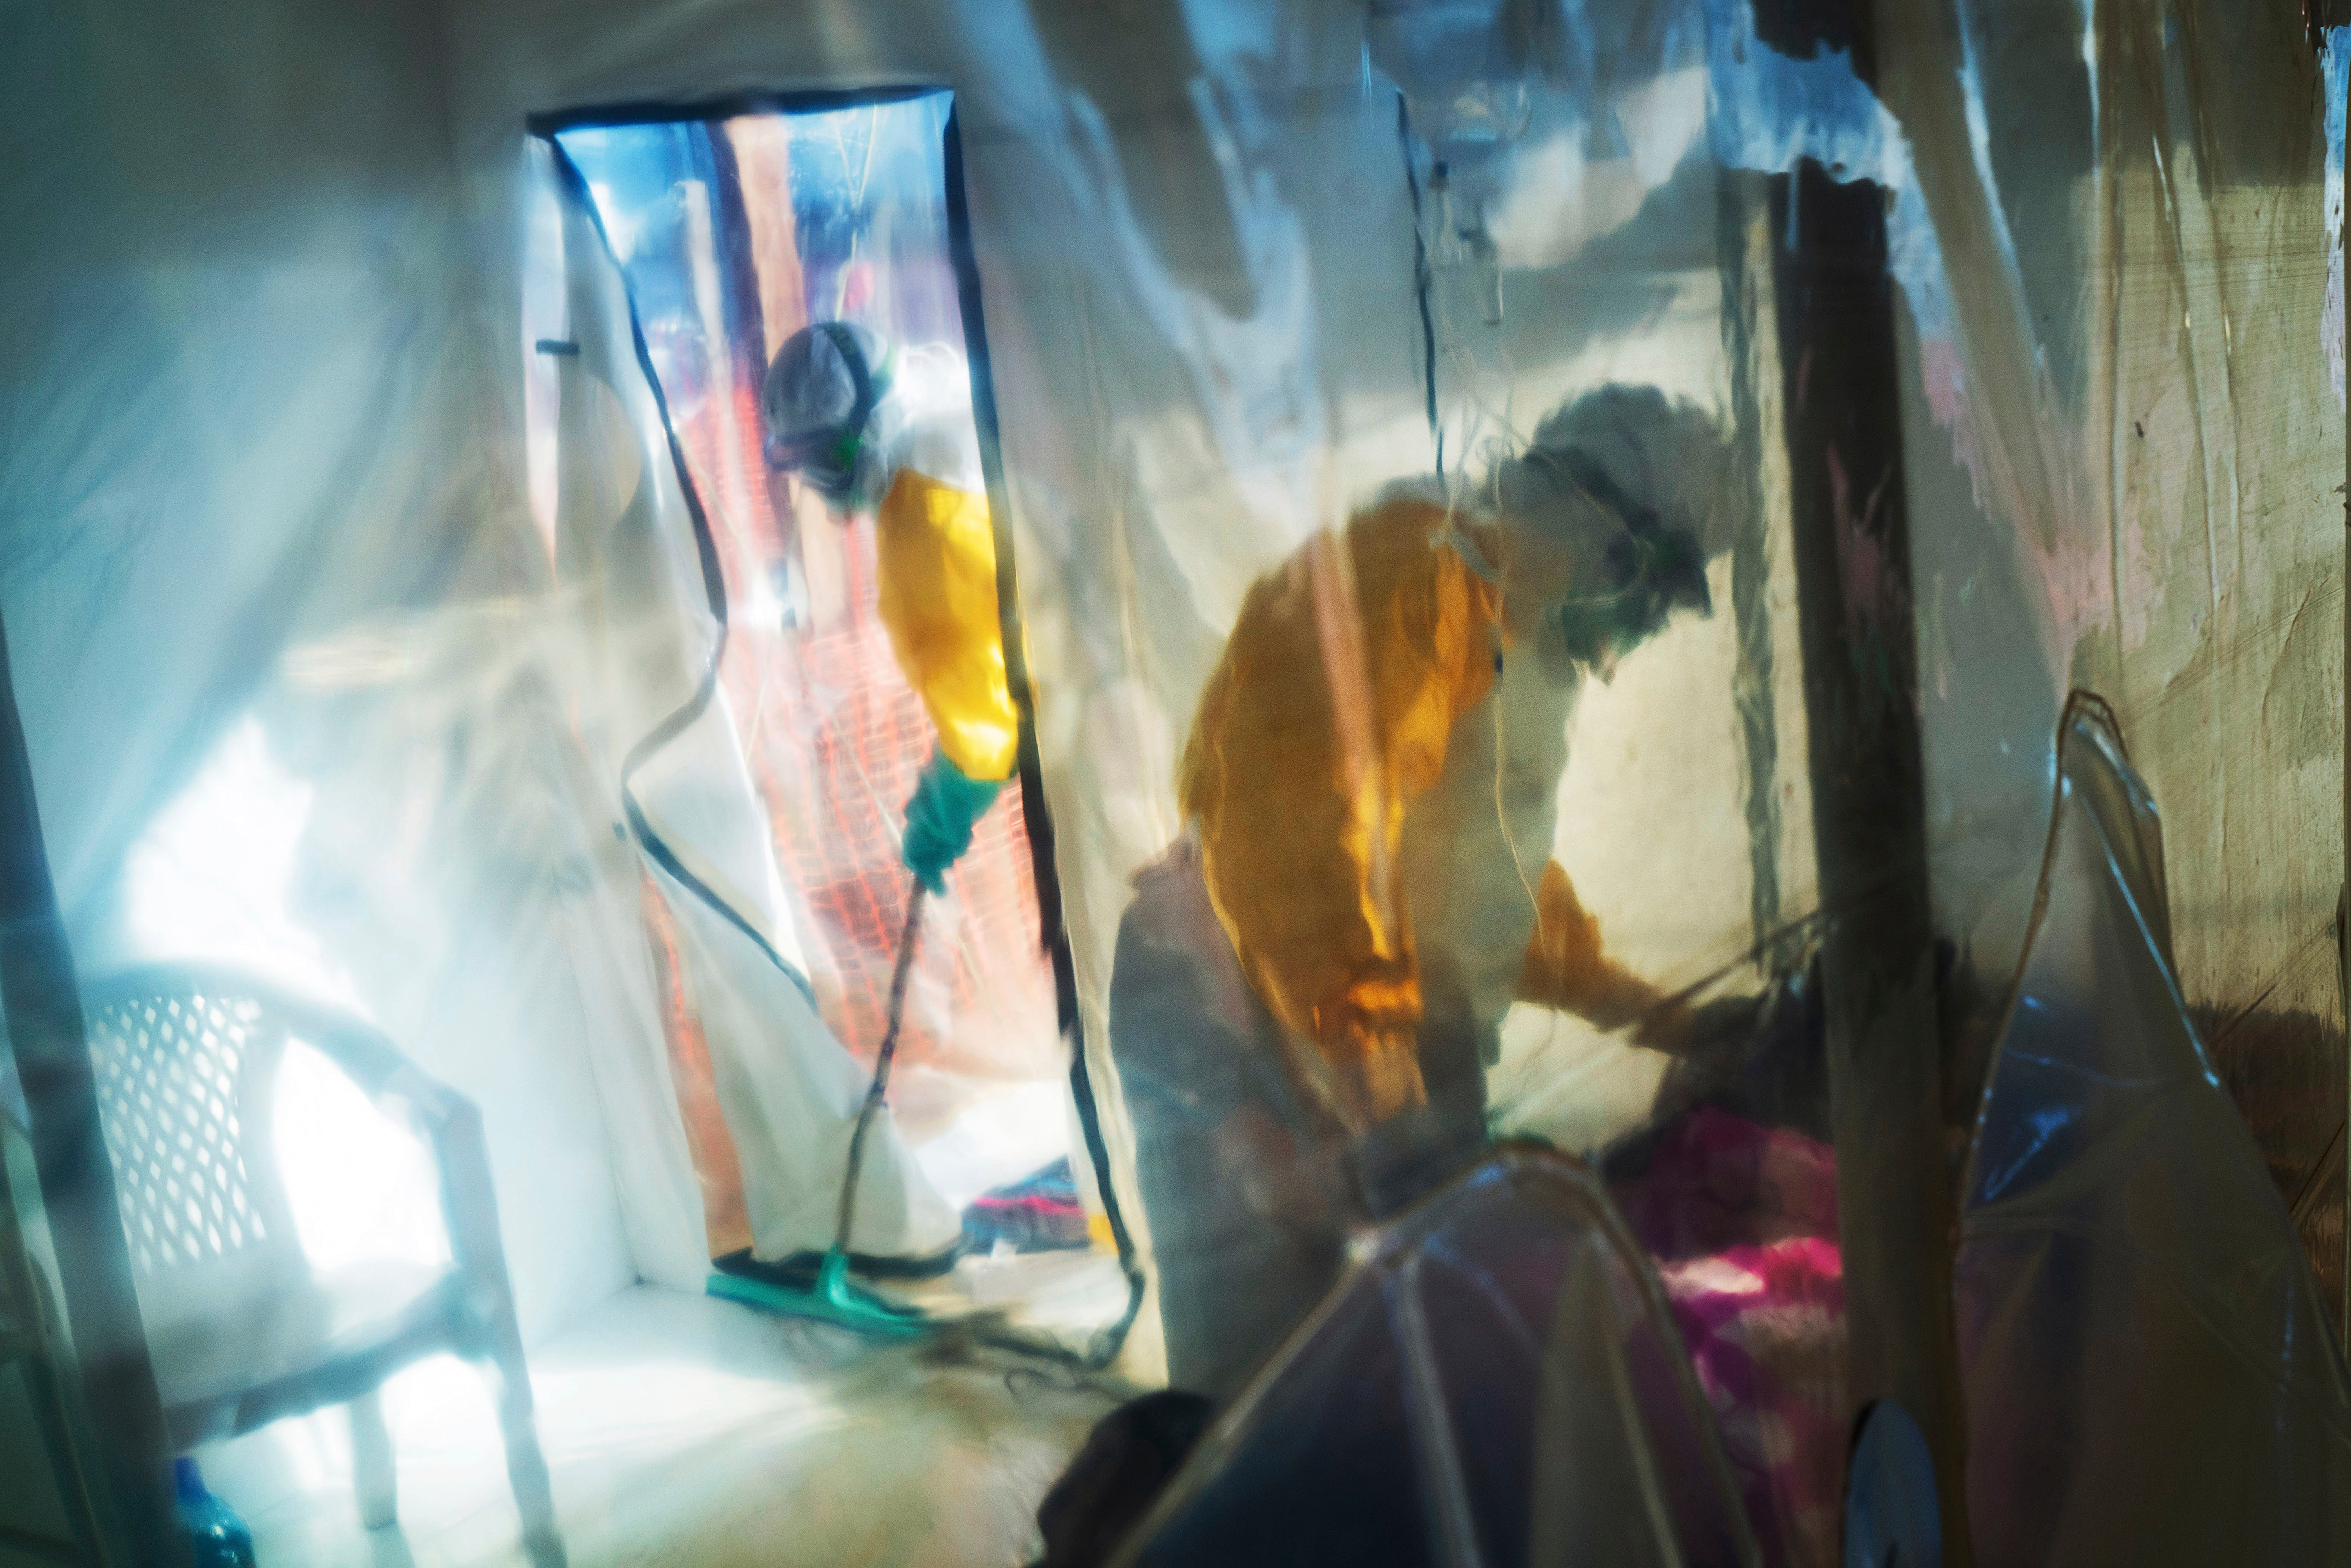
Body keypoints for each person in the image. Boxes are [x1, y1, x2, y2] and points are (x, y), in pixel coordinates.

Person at [1109, 384, 1735, 1400]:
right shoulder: (1418, 579)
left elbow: (1487, 889)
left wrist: (1666, 1018)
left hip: (1328, 1029)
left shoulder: (1506, 631)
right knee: (1262, 1409)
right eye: (1656, 593)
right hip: (1222, 1015)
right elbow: (1306, 852)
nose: (1646, 629)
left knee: (1392, 1395)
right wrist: (1383, 1091)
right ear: (1612, 541)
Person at [761, 320, 1016, 898]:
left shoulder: (921, 531)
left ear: (865, 430)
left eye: (821, 458)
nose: (814, 481)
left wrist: (944, 809)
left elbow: (990, 730)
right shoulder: (951, 417)